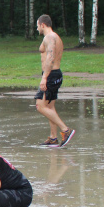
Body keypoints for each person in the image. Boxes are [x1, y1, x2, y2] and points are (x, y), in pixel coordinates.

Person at [35, 15, 75, 147]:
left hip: (51, 75)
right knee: (50, 107)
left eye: (37, 25)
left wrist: (44, 77)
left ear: (42, 24)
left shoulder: (50, 37)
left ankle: (65, 130)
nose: (36, 28)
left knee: (40, 106)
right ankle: (53, 138)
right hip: (54, 74)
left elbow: (50, 58)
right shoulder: (51, 37)